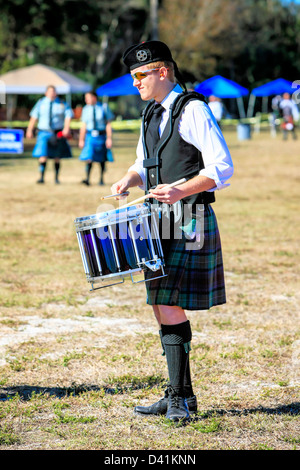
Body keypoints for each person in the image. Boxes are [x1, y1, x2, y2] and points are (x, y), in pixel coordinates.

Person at [111, 40, 234, 422]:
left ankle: (181, 399)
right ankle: (180, 395)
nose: (135, 83)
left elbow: (222, 168)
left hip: (189, 217)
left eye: (140, 75)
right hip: (156, 220)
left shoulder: (193, 109)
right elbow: (142, 160)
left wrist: (181, 189)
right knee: (159, 304)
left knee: (167, 300)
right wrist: (128, 178)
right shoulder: (150, 113)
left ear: (162, 71)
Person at [26, 85, 73, 184]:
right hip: (43, 132)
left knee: (57, 156)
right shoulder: (40, 103)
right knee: (42, 154)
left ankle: (56, 178)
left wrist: (66, 128)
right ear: (46, 93)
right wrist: (29, 130)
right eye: (50, 91)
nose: (52, 93)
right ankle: (42, 177)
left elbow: (68, 116)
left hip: (57, 133)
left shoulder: (62, 103)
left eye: (54, 91)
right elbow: (34, 117)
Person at [78, 91, 114, 186]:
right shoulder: (85, 109)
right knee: (89, 157)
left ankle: (101, 179)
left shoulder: (104, 107)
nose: (86, 100)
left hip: (101, 136)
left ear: (94, 98)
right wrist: (81, 140)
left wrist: (109, 138)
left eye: (88, 98)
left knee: (102, 158)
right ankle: (87, 178)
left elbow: (108, 124)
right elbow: (83, 125)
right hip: (90, 136)